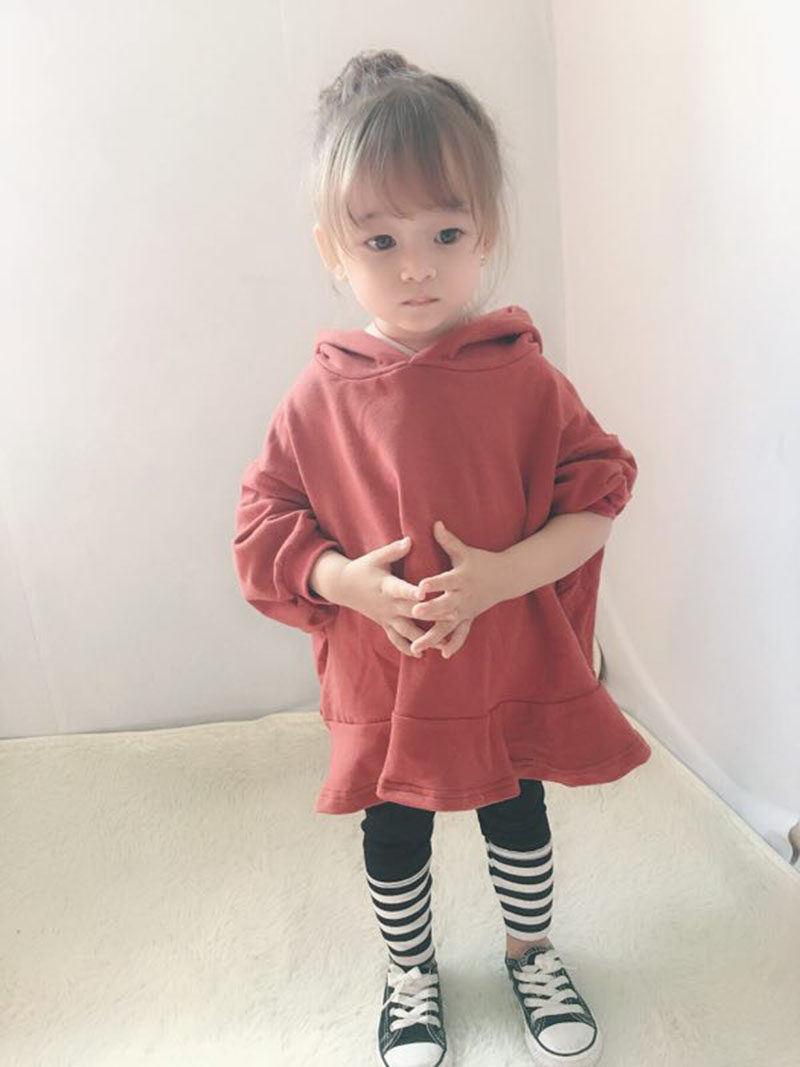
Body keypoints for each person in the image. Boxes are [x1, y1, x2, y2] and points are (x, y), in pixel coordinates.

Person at [232, 48, 651, 1067]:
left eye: (445, 234)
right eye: (381, 239)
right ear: (334, 250)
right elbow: (262, 524)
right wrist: (345, 581)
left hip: (502, 661)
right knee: (393, 830)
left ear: (485, 233)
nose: (415, 265)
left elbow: (599, 493)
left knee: (517, 809)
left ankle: (530, 949)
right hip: (389, 673)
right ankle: (410, 972)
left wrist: (505, 574)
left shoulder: (525, 379)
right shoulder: (320, 394)